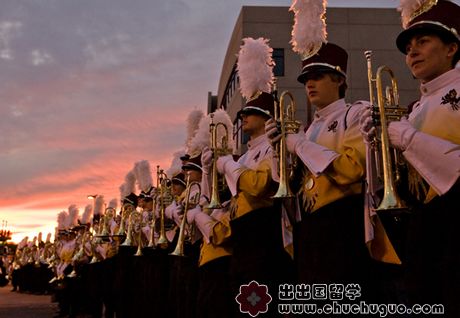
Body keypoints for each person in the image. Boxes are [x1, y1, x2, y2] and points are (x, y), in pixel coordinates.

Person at [361, 0, 460, 315]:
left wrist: (404, 137)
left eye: (423, 41)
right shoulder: (414, 109)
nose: (412, 52)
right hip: (421, 229)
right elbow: (395, 181)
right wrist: (374, 144)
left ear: (451, 48)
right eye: (408, 47)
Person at [267, 41, 374, 299]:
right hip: (309, 228)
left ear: (339, 80)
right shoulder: (307, 129)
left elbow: (352, 170)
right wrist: (277, 151)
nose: (309, 84)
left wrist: (299, 145)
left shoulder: (356, 113)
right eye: (306, 79)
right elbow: (289, 184)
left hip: (343, 226)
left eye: (318, 76)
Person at [201, 37, 293, 316]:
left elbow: (258, 185)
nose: (242, 120)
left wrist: (227, 163)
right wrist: (207, 172)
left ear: (264, 116)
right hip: (243, 235)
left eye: (248, 114)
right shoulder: (247, 154)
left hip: (261, 231)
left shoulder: (272, 146)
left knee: (258, 305)